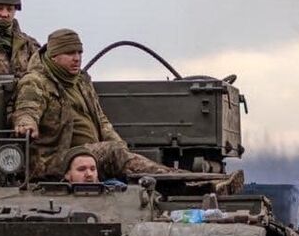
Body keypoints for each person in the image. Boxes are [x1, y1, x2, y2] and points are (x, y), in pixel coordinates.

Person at [12, 28, 187, 182]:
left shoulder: (81, 81)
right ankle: (177, 178)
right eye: (70, 53)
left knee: (116, 151)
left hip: (88, 155)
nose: (77, 58)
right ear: (54, 56)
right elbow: (27, 107)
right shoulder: (36, 81)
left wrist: (118, 145)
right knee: (113, 153)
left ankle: (179, 179)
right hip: (52, 159)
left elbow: (100, 119)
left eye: (79, 53)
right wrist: (27, 122)